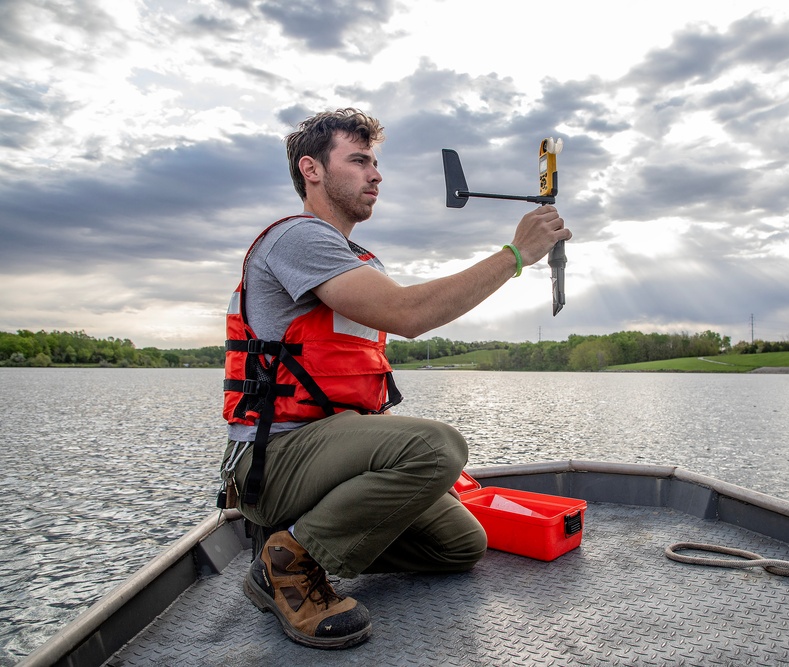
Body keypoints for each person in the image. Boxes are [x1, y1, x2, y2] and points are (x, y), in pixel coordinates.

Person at [219, 108, 571, 650]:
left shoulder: (358, 259)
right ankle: (288, 565)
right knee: (439, 447)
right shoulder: (297, 239)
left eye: (375, 162)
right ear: (311, 170)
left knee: (460, 546)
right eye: (358, 161)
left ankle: (300, 535)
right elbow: (410, 314)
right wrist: (516, 255)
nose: (375, 174)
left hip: (329, 459)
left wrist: (399, 481)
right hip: (276, 462)